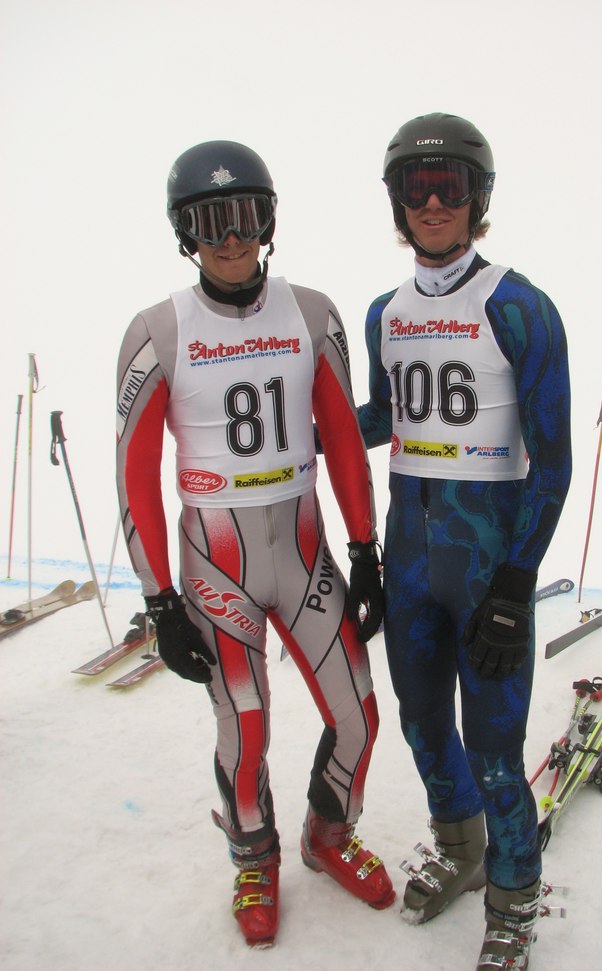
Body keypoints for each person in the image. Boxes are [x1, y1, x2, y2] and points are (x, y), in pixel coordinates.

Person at [115, 140, 394, 949]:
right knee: (243, 724)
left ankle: (326, 835)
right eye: (210, 222)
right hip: (216, 565)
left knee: (359, 716)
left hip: (302, 553)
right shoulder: (156, 330)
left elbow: (342, 438)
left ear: (269, 221)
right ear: (184, 233)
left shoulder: (312, 312)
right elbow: (134, 474)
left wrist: (365, 550)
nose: (230, 238)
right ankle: (253, 858)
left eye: (244, 215)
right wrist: (159, 600)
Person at [356, 113, 572, 969]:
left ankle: (515, 897)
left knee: (494, 748)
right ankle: (462, 846)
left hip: (487, 569)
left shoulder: (519, 305)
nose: (434, 201)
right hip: (411, 560)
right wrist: (302, 415)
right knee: (420, 723)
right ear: (397, 203)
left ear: (479, 197)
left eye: (450, 184)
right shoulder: (384, 313)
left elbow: (553, 460)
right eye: (417, 186)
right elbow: (385, 418)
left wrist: (517, 584)